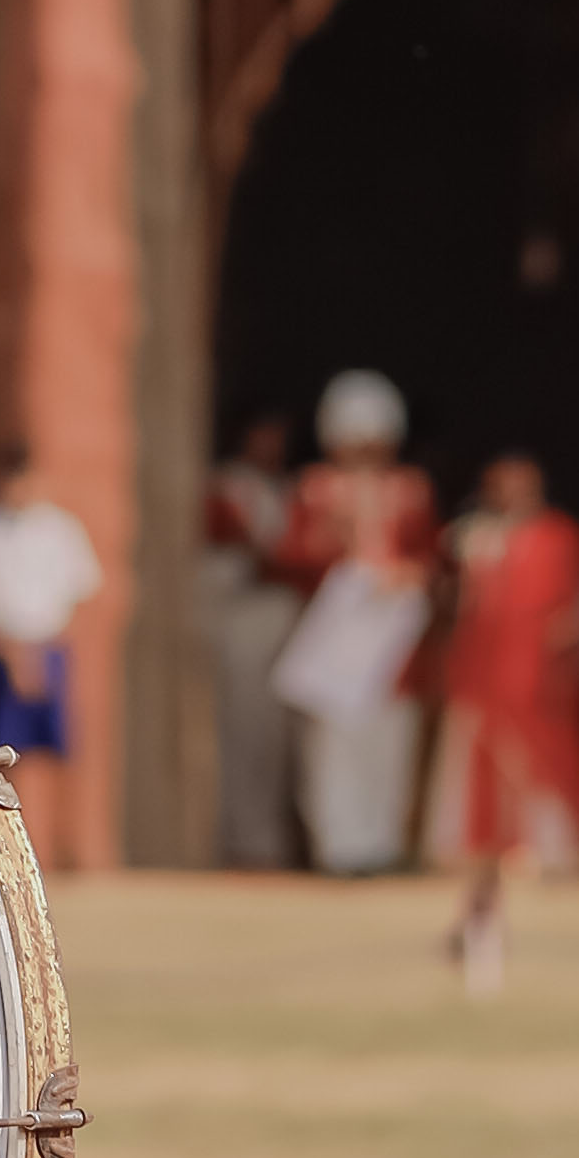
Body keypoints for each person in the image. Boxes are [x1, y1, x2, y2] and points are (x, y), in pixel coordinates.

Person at [427, 451, 579, 987]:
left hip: (534, 672)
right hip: (484, 670)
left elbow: (570, 607)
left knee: (543, 764)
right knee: (482, 768)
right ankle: (482, 855)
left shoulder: (561, 538)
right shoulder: (476, 539)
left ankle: (548, 849)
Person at [268, 372, 439, 877]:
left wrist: (411, 575)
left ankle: (381, 842)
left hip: (392, 644)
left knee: (388, 740)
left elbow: (431, 554)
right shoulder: (313, 490)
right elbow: (290, 556)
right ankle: (338, 845)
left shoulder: (412, 490)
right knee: (330, 744)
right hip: (334, 635)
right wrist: (337, 552)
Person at [0, 442, 101, 867]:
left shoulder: (61, 529)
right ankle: (13, 844)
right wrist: (12, 655)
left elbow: (79, 597)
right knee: (0, 752)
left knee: (57, 750)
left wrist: (40, 654)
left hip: (48, 649)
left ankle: (65, 846)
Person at [199, 413, 299, 867]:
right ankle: (242, 841)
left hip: (284, 622)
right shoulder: (226, 488)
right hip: (241, 622)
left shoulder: (290, 490)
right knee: (242, 734)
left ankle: (273, 840)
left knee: (278, 740)